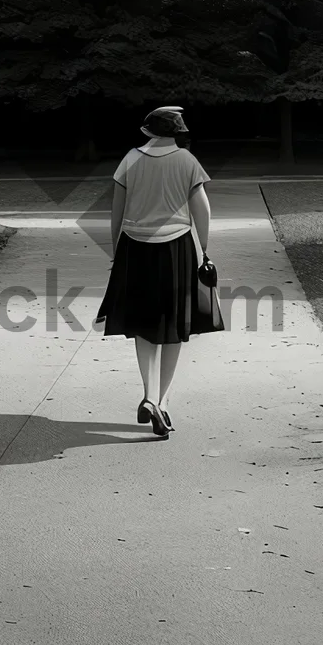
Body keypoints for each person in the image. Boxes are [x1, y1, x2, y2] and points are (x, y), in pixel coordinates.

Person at [94, 105, 216, 438]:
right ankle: (161, 401)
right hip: (177, 247)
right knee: (175, 326)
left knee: (144, 326)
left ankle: (148, 395)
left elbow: (116, 211)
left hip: (135, 248)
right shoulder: (187, 162)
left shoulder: (130, 159)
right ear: (177, 133)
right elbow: (201, 209)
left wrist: (116, 250)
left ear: (149, 132)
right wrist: (204, 250)